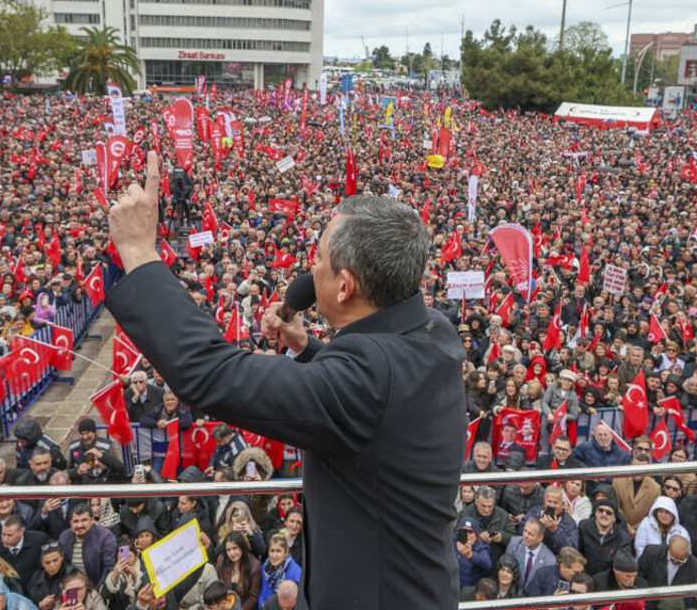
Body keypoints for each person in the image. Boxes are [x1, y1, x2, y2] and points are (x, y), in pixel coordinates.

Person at [107, 186, 466, 609]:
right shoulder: (433, 328)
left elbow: (212, 373)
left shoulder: (365, 379)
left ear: (345, 286)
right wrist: (307, 349)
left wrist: (137, 251)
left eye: (319, 260)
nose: (311, 270)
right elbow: (380, 397)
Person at [637, 536, 697, 608]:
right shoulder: (651, 553)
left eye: (680, 560)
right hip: (649, 604)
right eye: (672, 558)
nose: (675, 561)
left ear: (688, 554)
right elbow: (640, 577)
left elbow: (695, 597)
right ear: (668, 548)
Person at [505, 518, 556, 591]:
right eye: (525, 531)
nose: (525, 536)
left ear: (540, 537)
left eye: (530, 534)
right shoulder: (514, 544)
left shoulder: (550, 560)